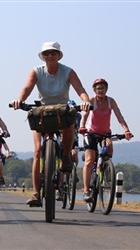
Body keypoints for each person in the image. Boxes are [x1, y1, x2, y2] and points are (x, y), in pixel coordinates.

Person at [11, 41, 91, 206]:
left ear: (59, 55)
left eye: (53, 53)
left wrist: (85, 101)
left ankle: (66, 157)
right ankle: (35, 193)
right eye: (46, 53)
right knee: (38, 151)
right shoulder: (36, 71)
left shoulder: (68, 71)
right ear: (42, 56)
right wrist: (20, 100)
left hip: (62, 109)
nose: (49, 56)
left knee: (69, 127)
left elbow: (80, 89)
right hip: (43, 111)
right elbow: (27, 88)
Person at [78, 78, 133, 202]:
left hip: (105, 134)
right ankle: (86, 191)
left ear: (106, 89)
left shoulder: (110, 101)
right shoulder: (91, 101)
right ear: (94, 90)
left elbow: (119, 116)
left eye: (103, 88)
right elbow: (85, 115)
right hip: (90, 133)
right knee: (89, 160)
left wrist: (126, 130)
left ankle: (105, 171)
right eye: (98, 88)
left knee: (108, 150)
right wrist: (82, 126)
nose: (100, 90)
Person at [56, 99, 82, 201]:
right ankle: (60, 185)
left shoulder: (78, 117)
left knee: (75, 154)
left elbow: (78, 129)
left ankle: (74, 172)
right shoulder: (60, 116)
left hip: (74, 139)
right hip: (61, 140)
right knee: (62, 162)